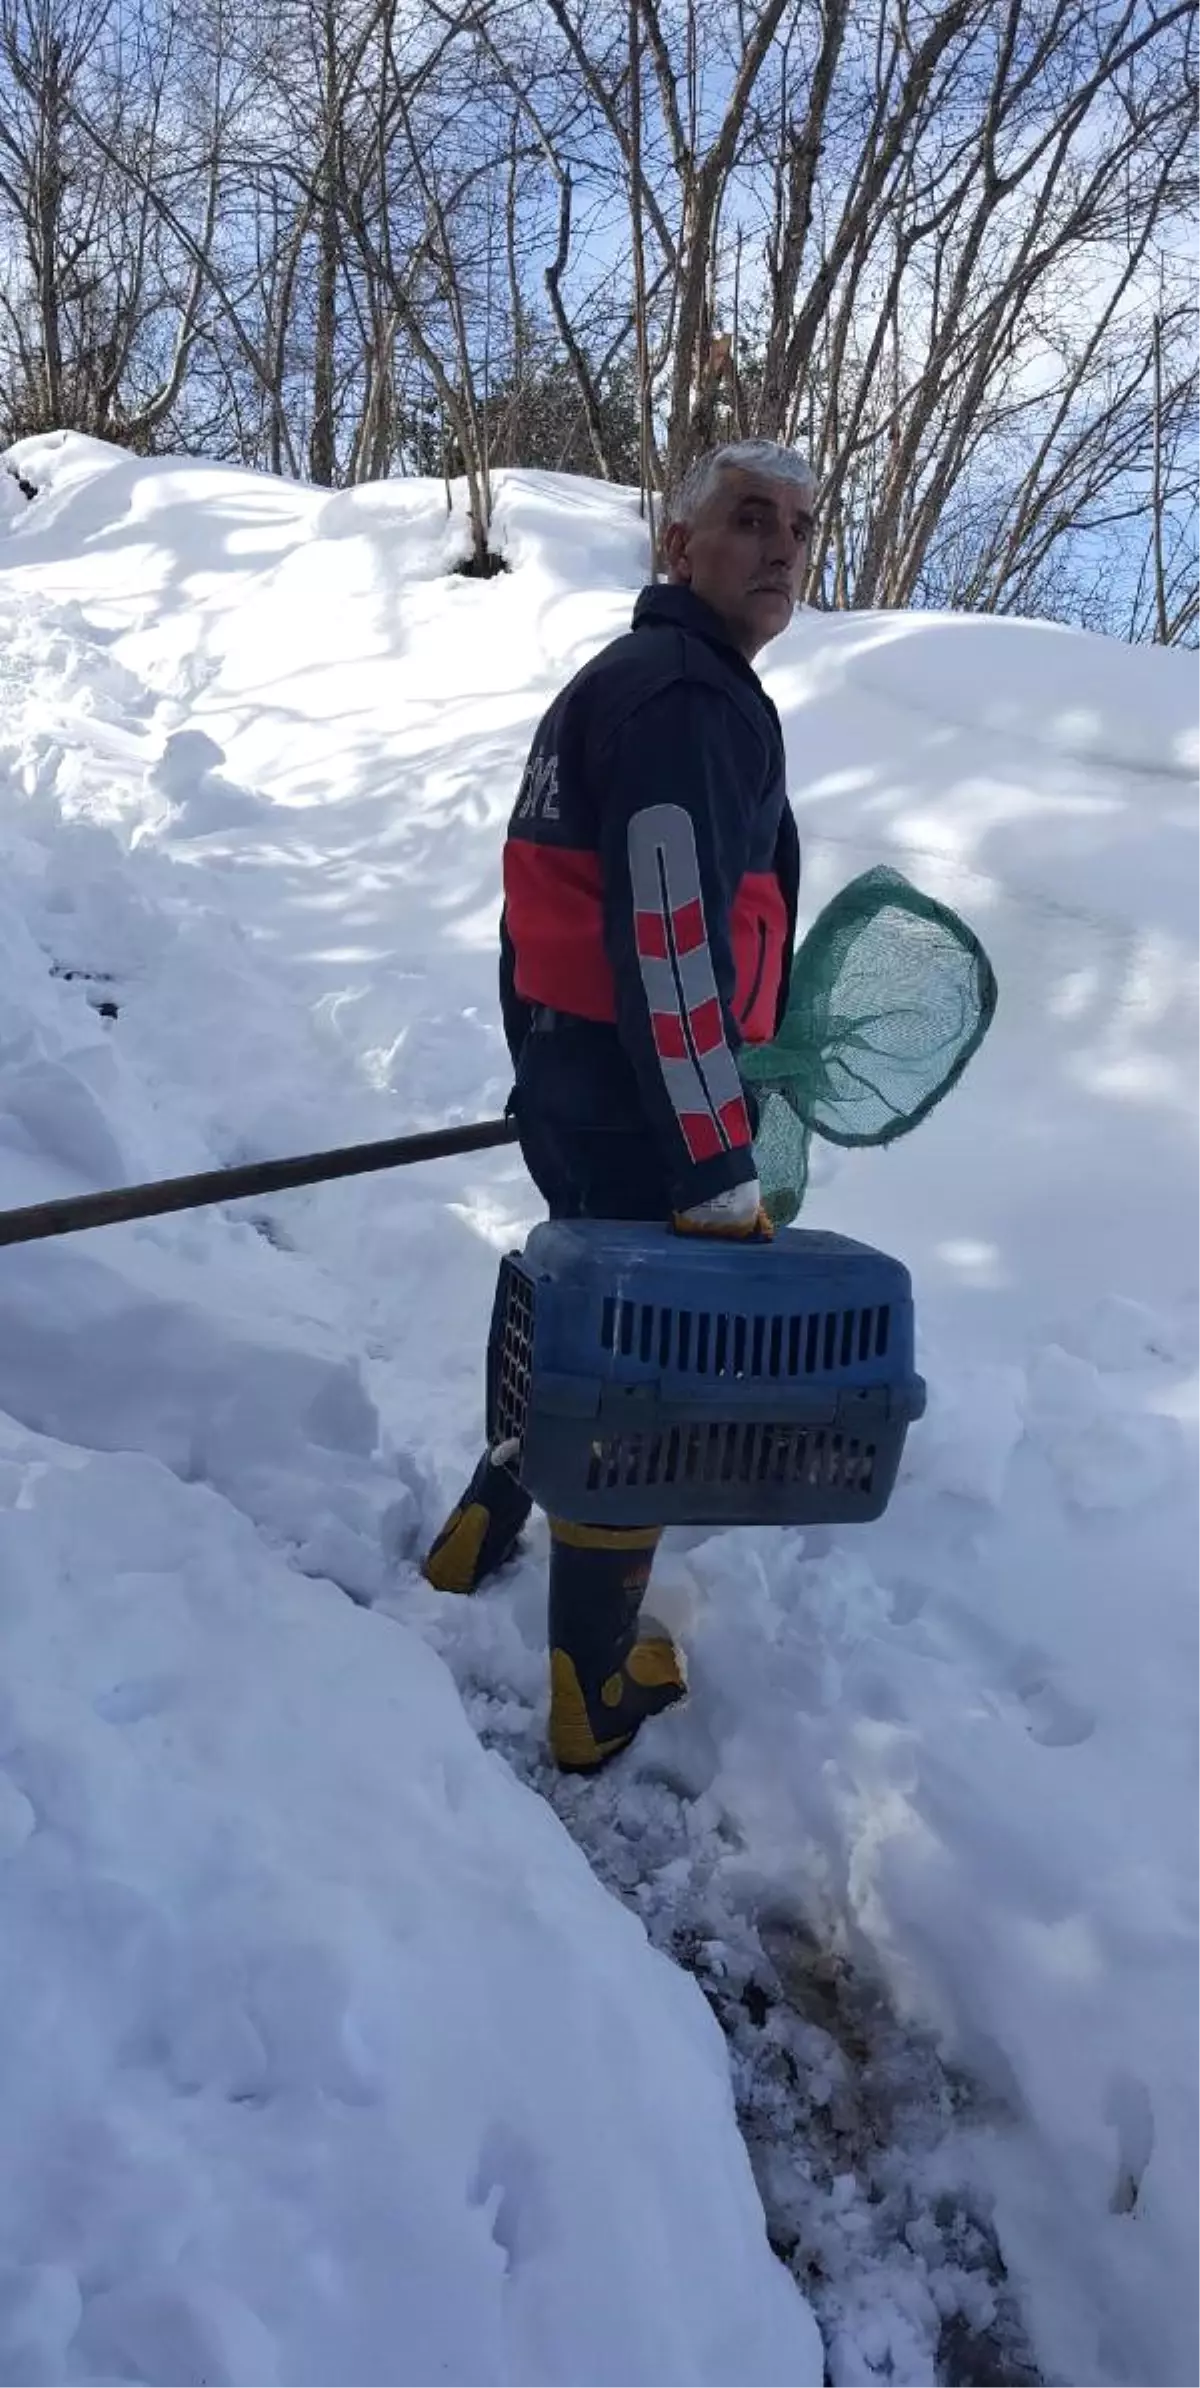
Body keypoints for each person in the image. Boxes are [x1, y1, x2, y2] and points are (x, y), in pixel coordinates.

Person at [424, 438, 814, 1770]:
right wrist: (711, 1157)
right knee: (640, 1374)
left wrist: (547, 1062)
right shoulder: (684, 701)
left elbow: (540, 909)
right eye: (747, 520)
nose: (777, 547)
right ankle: (592, 1682)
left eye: (798, 530)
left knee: (566, 1285)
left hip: (584, 1074)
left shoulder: (635, 683)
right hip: (647, 1098)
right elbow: (664, 935)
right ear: (677, 546)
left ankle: (488, 1510)